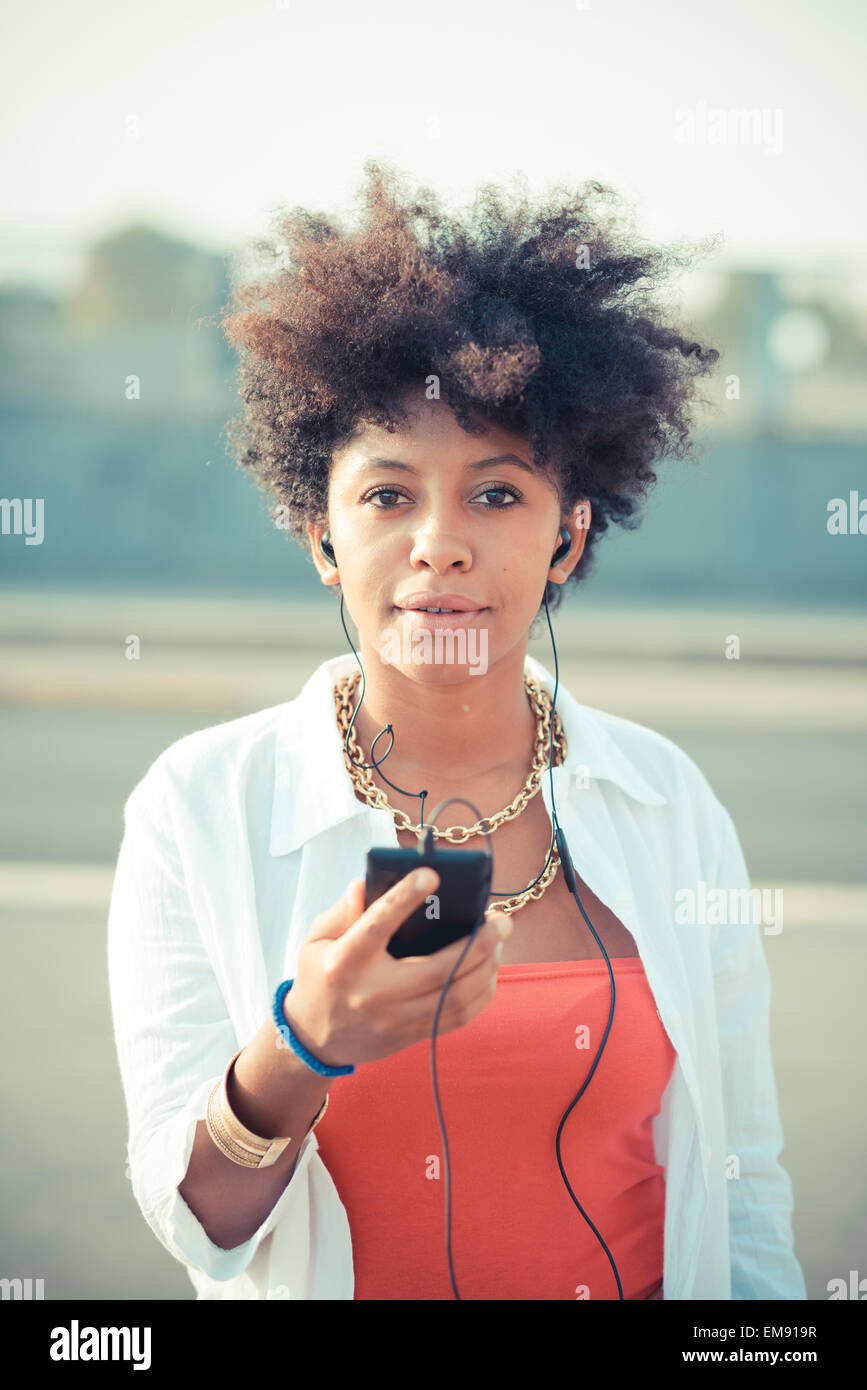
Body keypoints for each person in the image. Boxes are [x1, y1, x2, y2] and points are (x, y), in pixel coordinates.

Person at [107, 162, 807, 1300]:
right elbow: (200, 1228)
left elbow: (742, 1196)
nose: (439, 543)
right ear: (321, 537)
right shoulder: (198, 804)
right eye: (387, 496)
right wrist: (303, 1044)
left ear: (569, 537)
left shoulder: (667, 798)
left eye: (497, 494)